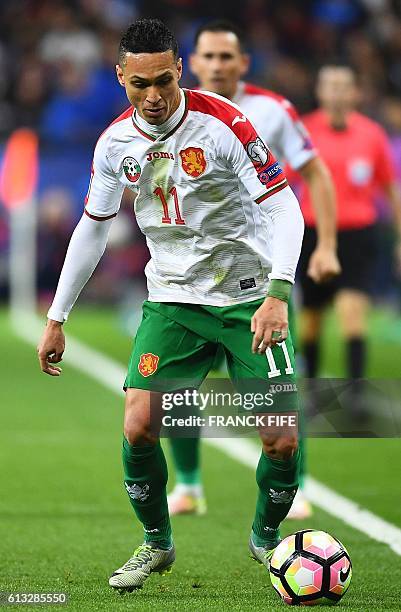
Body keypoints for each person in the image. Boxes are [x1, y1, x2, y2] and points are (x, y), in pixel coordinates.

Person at [37, 18, 305, 592]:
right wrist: (58, 317)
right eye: (139, 84)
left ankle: (265, 537)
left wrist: (279, 293)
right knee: (138, 426)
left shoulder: (226, 125)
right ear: (120, 77)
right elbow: (93, 226)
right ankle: (157, 543)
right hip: (174, 301)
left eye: (164, 80)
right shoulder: (115, 143)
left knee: (281, 439)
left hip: (249, 297)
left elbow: (285, 207)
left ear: (180, 69)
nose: (153, 96)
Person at [166, 20, 340, 520]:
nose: (218, 65)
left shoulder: (272, 110)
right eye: (209, 57)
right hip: (194, 278)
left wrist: (326, 245)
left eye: (228, 57)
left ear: (243, 63)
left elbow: (316, 173)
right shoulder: (173, 115)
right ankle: (190, 485)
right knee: (178, 389)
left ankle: (298, 485)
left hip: (264, 273)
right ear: (192, 64)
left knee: (281, 384)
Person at [297, 66, 401, 409]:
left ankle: (355, 394)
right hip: (312, 234)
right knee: (311, 318)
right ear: (320, 91)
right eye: (331, 86)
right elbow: (277, 181)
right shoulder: (304, 132)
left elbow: (389, 189)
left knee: (352, 312)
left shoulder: (371, 135)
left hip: (358, 236)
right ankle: (312, 390)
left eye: (344, 87)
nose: (338, 93)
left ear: (355, 93)